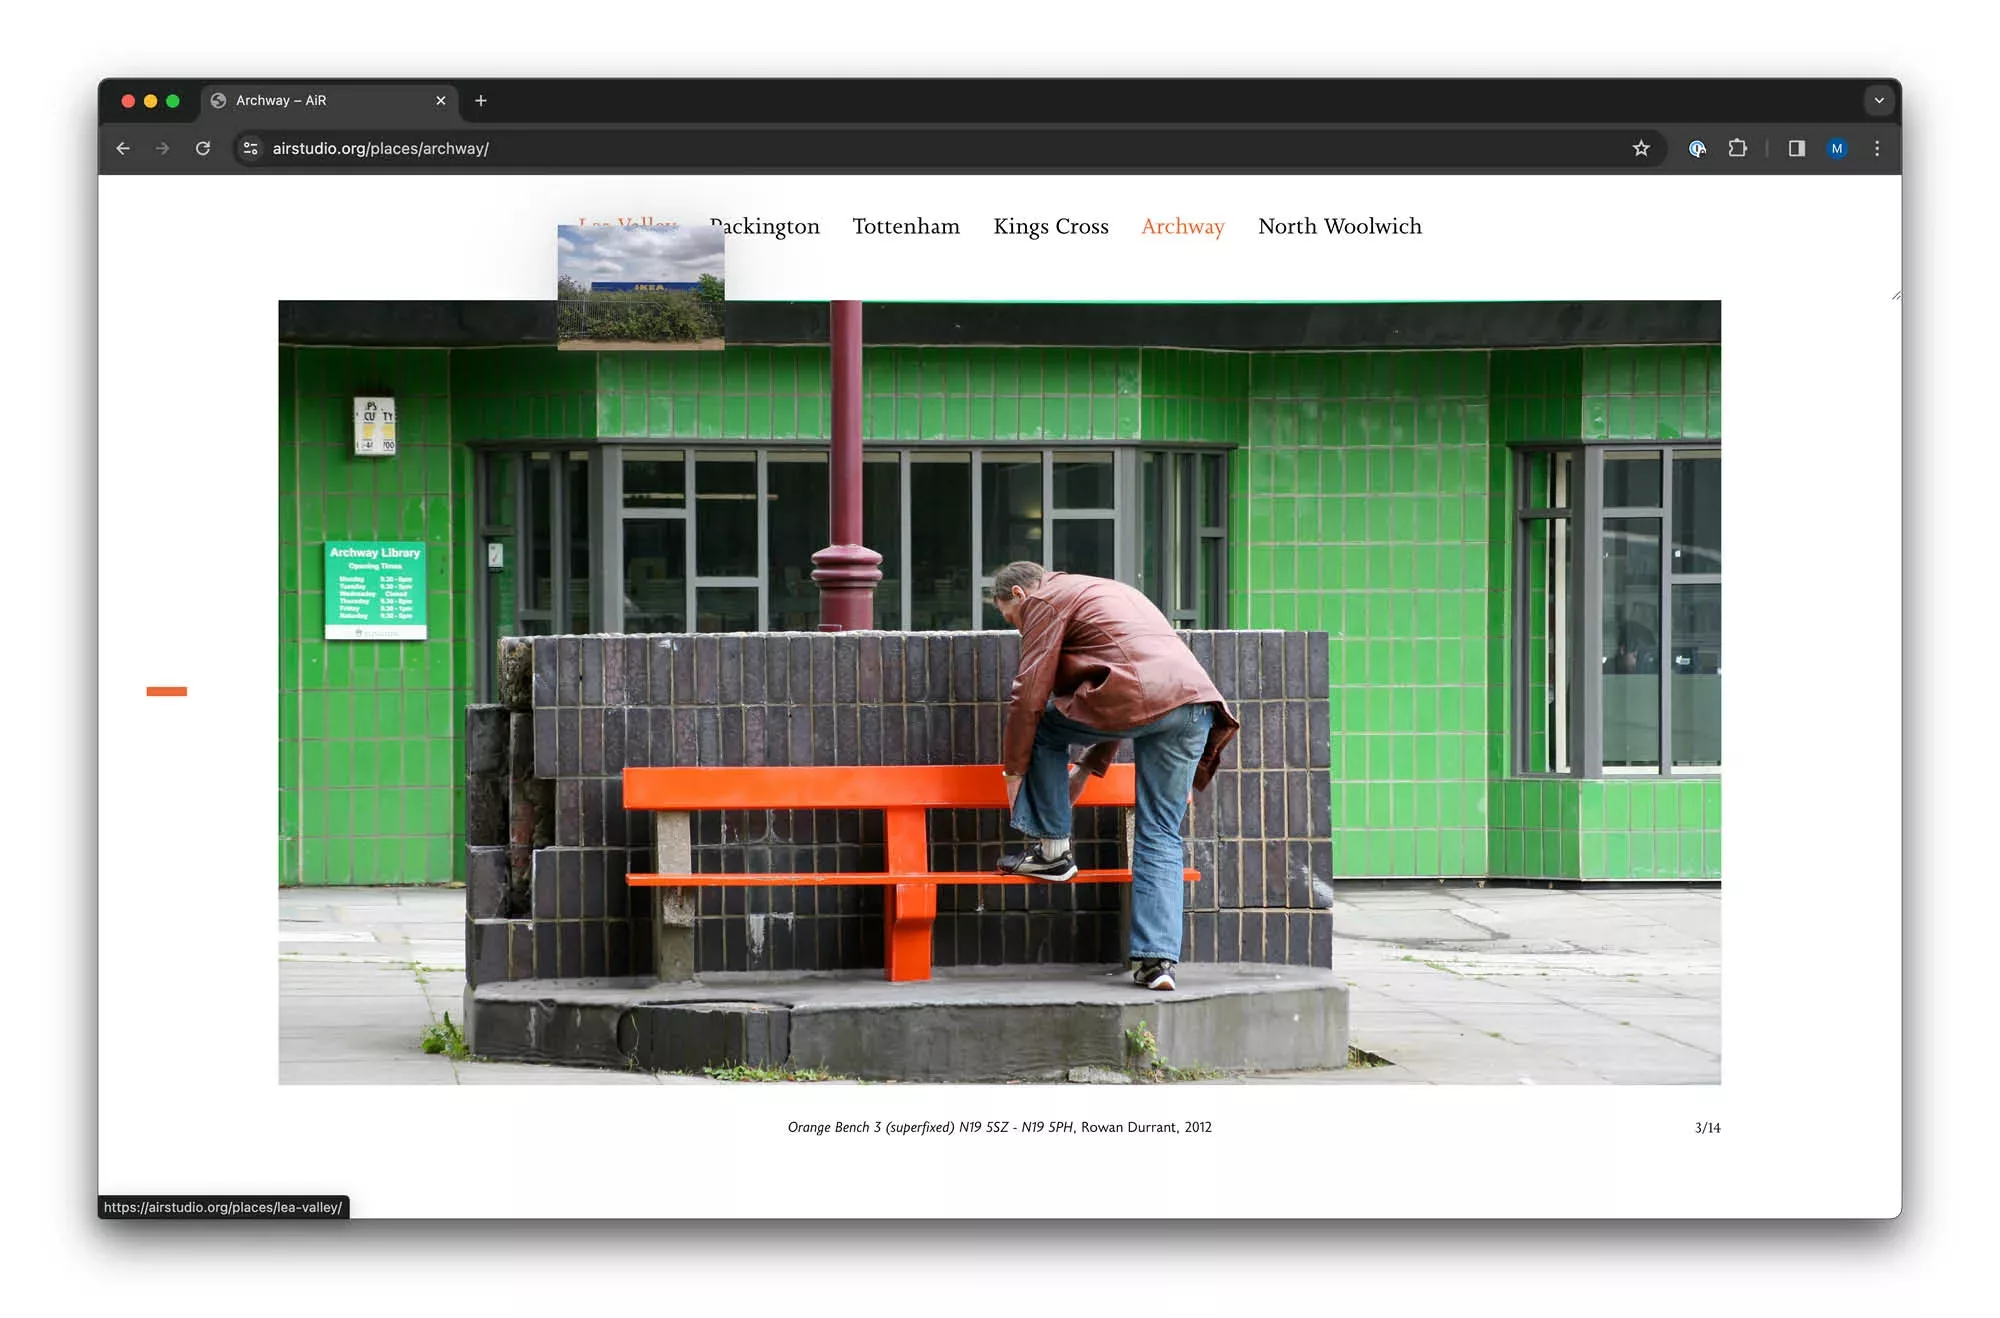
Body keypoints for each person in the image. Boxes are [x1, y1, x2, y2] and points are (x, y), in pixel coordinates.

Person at [987, 561, 1239, 992]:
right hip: (1195, 706)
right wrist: (1088, 766)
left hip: (1148, 701)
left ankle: (1052, 851)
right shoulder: (1108, 590)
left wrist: (1014, 772)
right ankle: (1157, 964)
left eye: (1011, 619)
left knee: (1043, 725)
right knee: (1160, 832)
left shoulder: (1044, 601)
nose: (1017, 629)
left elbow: (1029, 694)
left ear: (1018, 595)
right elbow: (1133, 680)